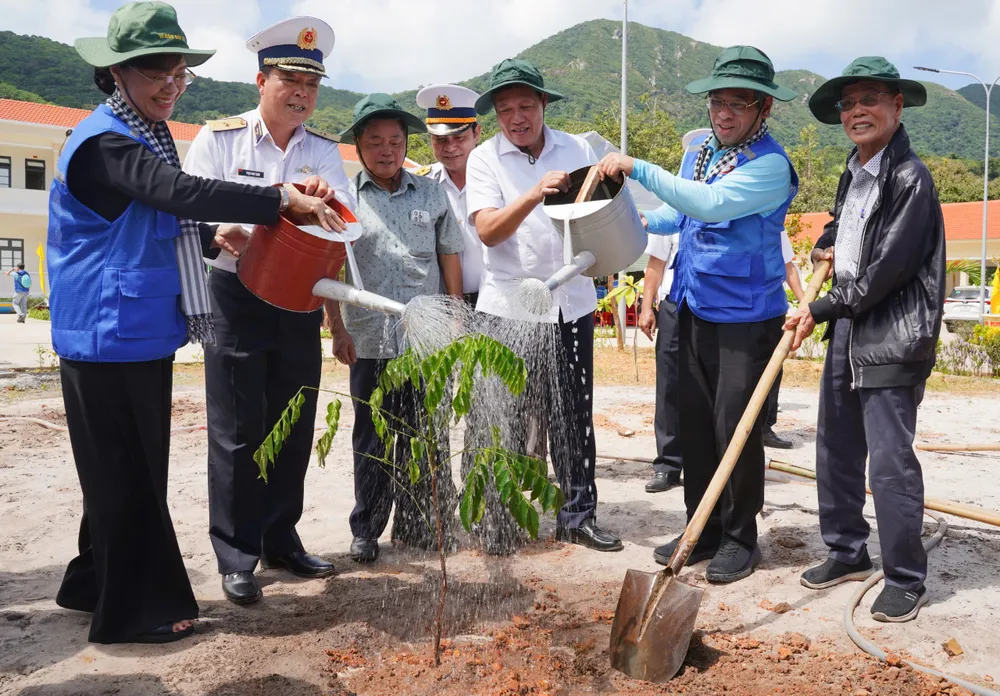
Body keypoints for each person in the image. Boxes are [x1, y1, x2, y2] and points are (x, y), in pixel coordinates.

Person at [51, 1, 338, 644]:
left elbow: (158, 218)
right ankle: (133, 613)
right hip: (105, 330)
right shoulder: (104, 142)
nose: (171, 86)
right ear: (117, 72)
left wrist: (211, 238)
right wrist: (277, 199)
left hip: (133, 328)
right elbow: (178, 192)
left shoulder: (141, 135)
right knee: (127, 472)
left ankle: (90, 582)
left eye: (180, 74)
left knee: (123, 467)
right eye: (157, 72)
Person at [598, 46, 798, 580]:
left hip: (746, 318)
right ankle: (702, 528)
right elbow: (678, 213)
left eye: (738, 104)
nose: (724, 114)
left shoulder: (770, 166)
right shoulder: (701, 153)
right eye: (716, 102)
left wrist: (638, 167)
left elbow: (709, 205)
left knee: (735, 427)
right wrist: (629, 220)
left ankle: (740, 537)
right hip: (691, 306)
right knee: (695, 425)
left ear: (764, 108)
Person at [182, 16, 353, 605]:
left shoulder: (324, 151)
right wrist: (223, 229)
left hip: (300, 300)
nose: (302, 93)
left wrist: (327, 201)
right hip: (236, 298)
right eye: (290, 80)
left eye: (311, 84)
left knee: (293, 421)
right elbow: (191, 209)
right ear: (262, 81)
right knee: (237, 429)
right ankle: (237, 555)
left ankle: (281, 539)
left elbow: (342, 221)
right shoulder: (219, 139)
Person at [787, 57, 945, 623]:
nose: (857, 111)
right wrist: (825, 241)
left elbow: (885, 271)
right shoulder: (854, 171)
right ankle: (847, 551)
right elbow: (846, 228)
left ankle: (904, 577)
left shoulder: (910, 179)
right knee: (835, 448)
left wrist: (819, 308)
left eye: (870, 99)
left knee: (889, 463)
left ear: (896, 106)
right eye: (849, 103)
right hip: (850, 327)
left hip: (893, 333)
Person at [467, 58, 622, 552]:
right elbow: (488, 230)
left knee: (573, 416)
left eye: (526, 106)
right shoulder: (484, 159)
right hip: (508, 308)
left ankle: (578, 516)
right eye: (505, 110)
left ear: (543, 104)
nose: (517, 118)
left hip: (570, 304)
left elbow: (599, 211)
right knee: (505, 418)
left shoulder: (576, 148)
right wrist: (534, 194)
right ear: (495, 114)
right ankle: (500, 520)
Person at [328, 94, 464, 564]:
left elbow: (449, 254)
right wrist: (336, 329)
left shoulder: (431, 193)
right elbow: (329, 268)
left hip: (426, 338)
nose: (386, 150)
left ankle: (420, 524)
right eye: (375, 142)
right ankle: (366, 528)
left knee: (427, 432)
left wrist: (454, 313)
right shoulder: (343, 199)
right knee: (372, 435)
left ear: (407, 144)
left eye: (395, 141)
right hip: (369, 338)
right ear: (358, 146)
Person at [414, 84, 484, 306]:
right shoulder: (420, 185)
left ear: (476, 133)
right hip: (440, 303)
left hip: (493, 302)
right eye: (441, 140)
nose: (450, 147)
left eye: (459, 138)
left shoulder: (497, 180)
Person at [638, 227, 682, 493]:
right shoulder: (671, 212)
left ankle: (707, 465)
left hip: (713, 307)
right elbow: (656, 264)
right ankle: (668, 465)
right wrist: (646, 308)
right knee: (668, 386)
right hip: (673, 307)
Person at [763, 229, 805, 450]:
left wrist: (805, 304)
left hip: (771, 308)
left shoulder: (775, 226)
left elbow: (788, 267)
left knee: (773, 368)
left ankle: (765, 427)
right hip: (738, 311)